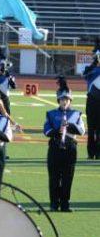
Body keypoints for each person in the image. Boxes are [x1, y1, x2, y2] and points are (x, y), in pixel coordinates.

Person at [43, 77, 85, 212]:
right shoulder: (51, 114)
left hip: (70, 148)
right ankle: (54, 204)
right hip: (55, 147)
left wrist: (70, 125)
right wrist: (57, 131)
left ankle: (65, 204)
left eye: (67, 100)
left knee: (68, 178)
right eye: (62, 100)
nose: (64, 102)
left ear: (70, 101)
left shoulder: (76, 114)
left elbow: (82, 131)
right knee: (54, 177)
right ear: (58, 100)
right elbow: (46, 130)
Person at [82, 39, 100, 159]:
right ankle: (91, 152)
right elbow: (84, 75)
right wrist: (94, 63)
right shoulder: (91, 70)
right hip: (92, 101)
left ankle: (98, 153)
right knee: (91, 128)